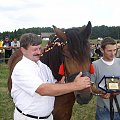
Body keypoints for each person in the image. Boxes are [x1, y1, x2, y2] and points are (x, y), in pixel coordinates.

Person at [11, 33, 91, 120]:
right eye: (34, 49)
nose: (39, 52)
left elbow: (52, 84)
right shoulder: (22, 68)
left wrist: (60, 83)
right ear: (23, 50)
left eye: (39, 48)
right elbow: (42, 89)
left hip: (48, 117)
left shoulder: (43, 66)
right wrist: (75, 85)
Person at [91, 37, 120, 120]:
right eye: (109, 51)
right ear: (102, 50)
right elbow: (90, 86)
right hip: (104, 110)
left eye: (115, 50)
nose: (113, 53)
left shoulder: (119, 62)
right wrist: (101, 92)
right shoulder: (94, 65)